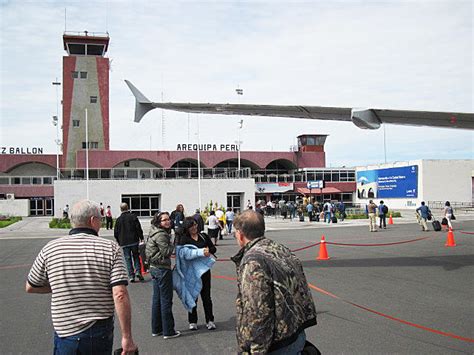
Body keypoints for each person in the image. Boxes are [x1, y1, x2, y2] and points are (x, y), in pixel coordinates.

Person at [26, 200, 138, 354]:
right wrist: (127, 337)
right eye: (100, 218)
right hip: (97, 330)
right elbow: (119, 294)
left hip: (64, 331)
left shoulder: (50, 248)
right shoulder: (110, 248)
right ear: (92, 221)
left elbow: (31, 286)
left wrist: (62, 285)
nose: (102, 222)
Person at [231, 210, 317, 353]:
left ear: (240, 234)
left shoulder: (253, 261)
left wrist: (255, 351)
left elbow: (257, 312)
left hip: (277, 344)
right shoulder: (279, 249)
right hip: (295, 333)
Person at [175, 217, 217, 331]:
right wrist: (200, 252)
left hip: (204, 271)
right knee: (193, 296)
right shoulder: (184, 239)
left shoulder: (203, 236)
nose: (194, 227)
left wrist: (209, 251)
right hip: (191, 272)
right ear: (187, 228)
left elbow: (213, 248)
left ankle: (210, 320)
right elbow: (183, 254)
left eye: (195, 225)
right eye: (191, 226)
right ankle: (192, 321)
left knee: (206, 296)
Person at [146, 212, 181, 339]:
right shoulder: (161, 235)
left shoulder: (153, 231)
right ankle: (168, 331)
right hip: (162, 269)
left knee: (157, 299)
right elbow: (166, 252)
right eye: (164, 220)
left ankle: (157, 329)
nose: (168, 222)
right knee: (166, 300)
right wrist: (173, 241)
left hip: (154, 268)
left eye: (168, 219)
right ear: (159, 222)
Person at [114, 202, 144, 282]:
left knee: (127, 259)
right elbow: (138, 228)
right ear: (128, 208)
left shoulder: (118, 220)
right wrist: (141, 237)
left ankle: (131, 276)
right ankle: (138, 271)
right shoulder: (133, 217)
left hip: (124, 242)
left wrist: (118, 241)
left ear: (121, 209)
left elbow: (116, 232)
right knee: (136, 256)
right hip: (134, 240)